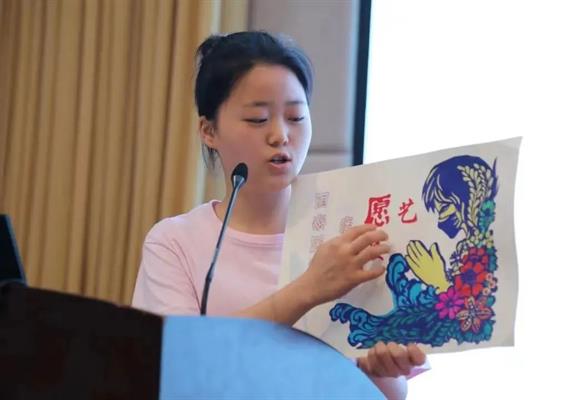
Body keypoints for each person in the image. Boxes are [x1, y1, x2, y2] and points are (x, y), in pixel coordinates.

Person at [132, 31, 426, 399]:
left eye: (295, 116)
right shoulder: (174, 242)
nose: (280, 135)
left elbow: (391, 393)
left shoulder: (353, 236)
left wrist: (383, 369)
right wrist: (309, 289)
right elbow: (178, 367)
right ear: (208, 130)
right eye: (257, 119)